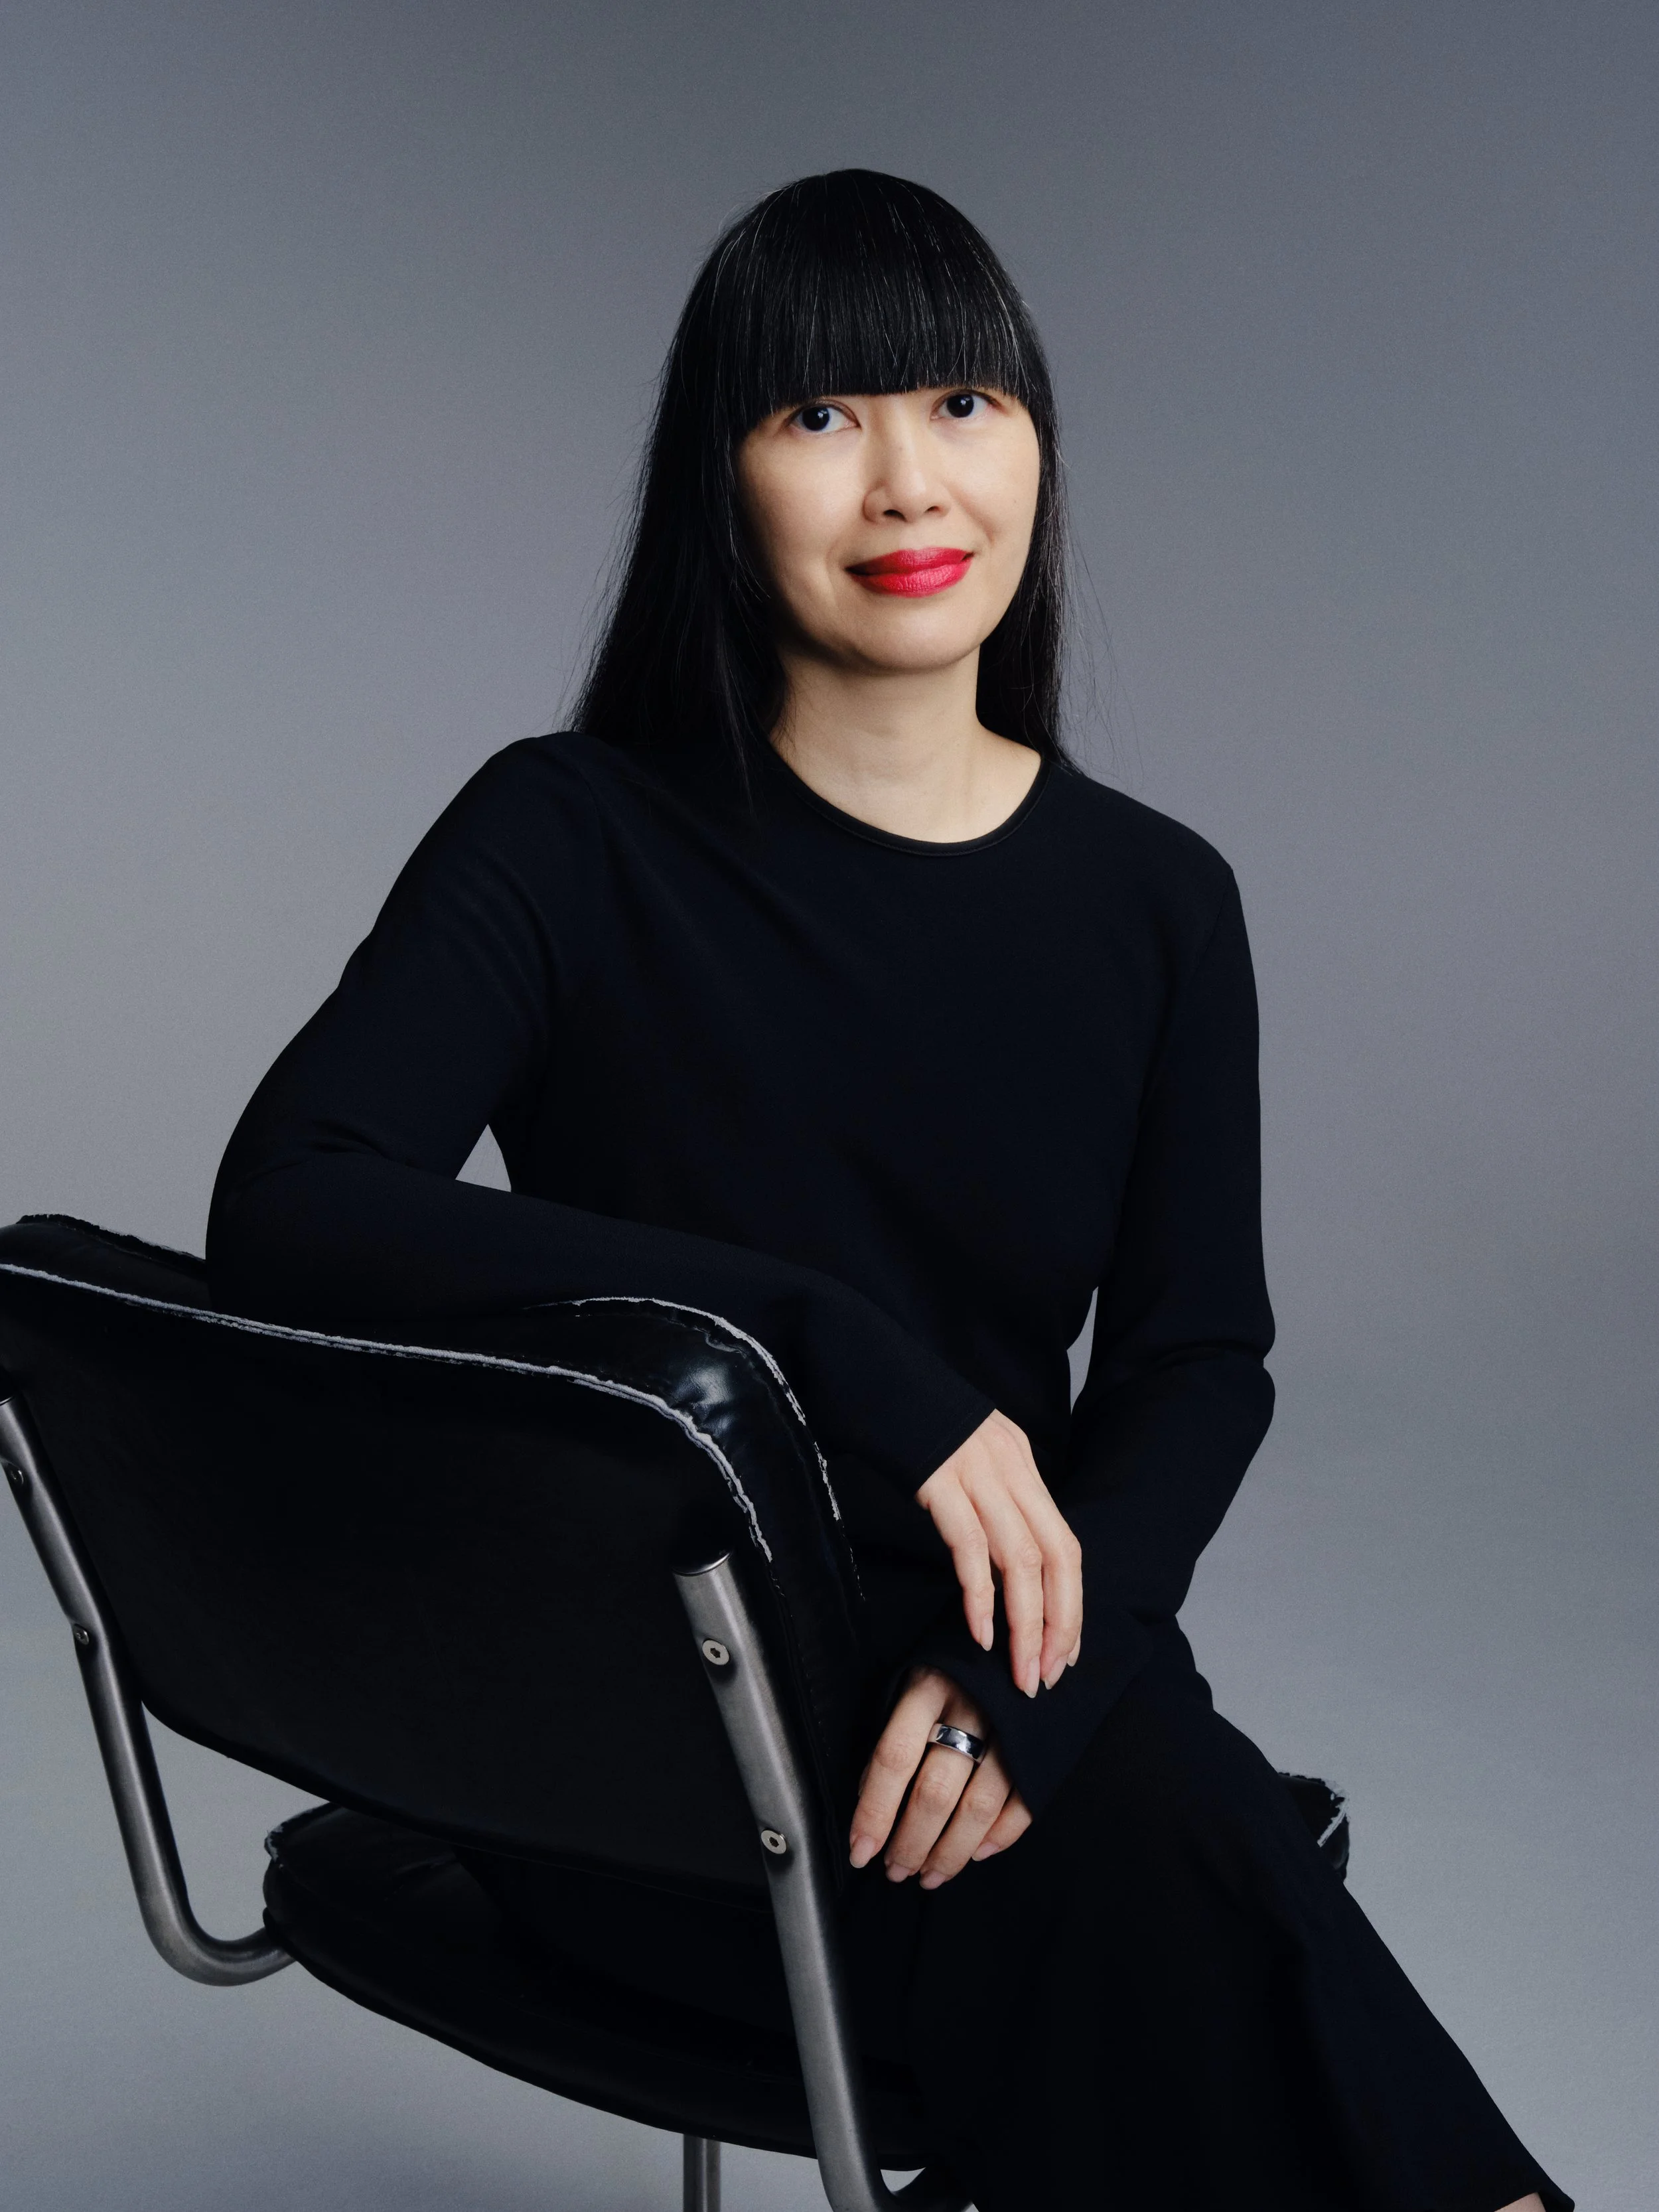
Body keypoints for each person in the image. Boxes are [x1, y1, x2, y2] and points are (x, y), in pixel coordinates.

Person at [208, 169, 1567, 2211]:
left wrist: (1043, 1677)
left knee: (1110, 1837)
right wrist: (830, 1351)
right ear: (721, 482)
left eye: (959, 401)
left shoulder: (1157, 903)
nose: (907, 484)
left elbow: (1200, 1355)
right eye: (818, 418)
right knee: (1169, 1871)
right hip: (636, 1750)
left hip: (1007, 1691)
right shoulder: (567, 834)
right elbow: (293, 1195)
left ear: (1034, 441)